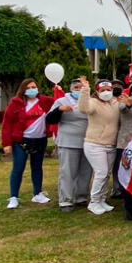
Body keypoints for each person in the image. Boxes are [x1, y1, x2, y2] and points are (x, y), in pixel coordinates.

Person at [1, 79, 55, 208]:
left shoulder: (45, 101)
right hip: (21, 141)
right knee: (18, 168)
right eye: (29, 87)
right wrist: (6, 143)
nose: (32, 89)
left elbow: (59, 103)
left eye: (34, 87)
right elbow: (7, 123)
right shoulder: (16, 103)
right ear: (23, 89)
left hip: (40, 139)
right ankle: (13, 197)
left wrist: (58, 90)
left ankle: (37, 194)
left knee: (37, 167)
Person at [45, 79, 92, 212]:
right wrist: (59, 110)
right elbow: (49, 119)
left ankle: (81, 196)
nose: (79, 90)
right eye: (76, 88)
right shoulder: (62, 101)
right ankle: (66, 200)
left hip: (88, 141)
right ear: (71, 89)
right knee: (68, 172)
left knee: (85, 171)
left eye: (81, 87)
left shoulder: (89, 100)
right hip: (69, 141)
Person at [78, 77, 120, 215]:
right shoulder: (93, 102)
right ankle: (94, 201)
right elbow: (84, 108)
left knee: (106, 174)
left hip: (111, 144)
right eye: (103, 90)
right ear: (98, 91)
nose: (106, 92)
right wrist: (85, 89)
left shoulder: (115, 102)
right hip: (95, 144)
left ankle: (102, 199)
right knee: (101, 173)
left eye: (109, 89)